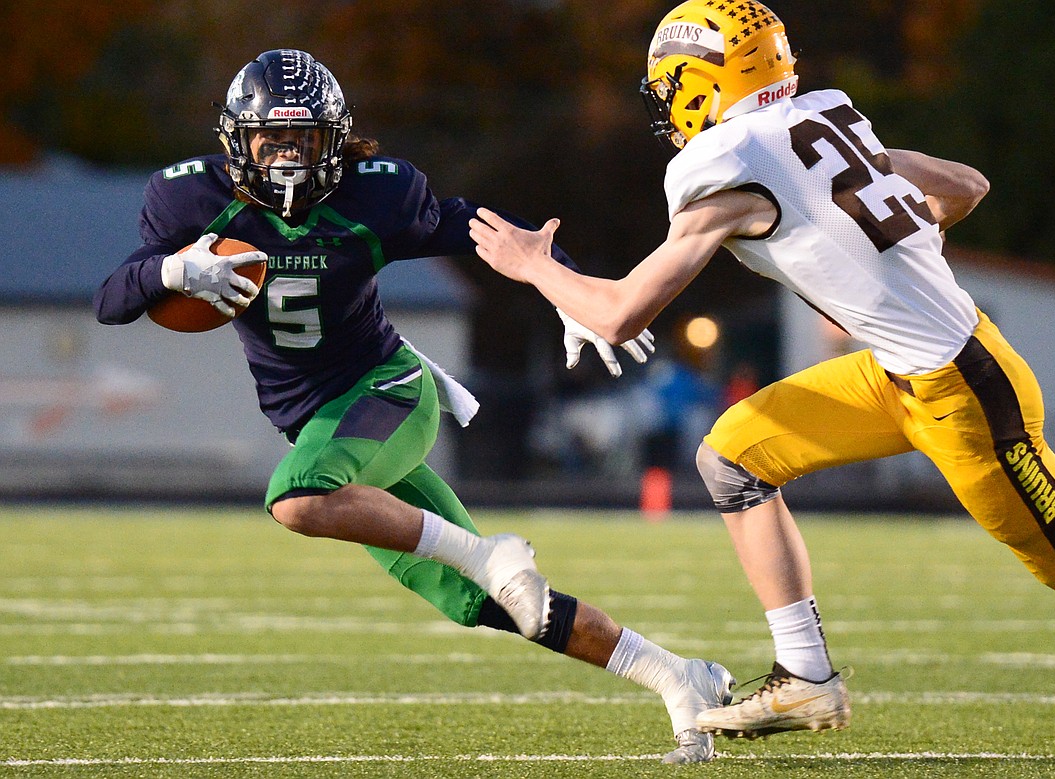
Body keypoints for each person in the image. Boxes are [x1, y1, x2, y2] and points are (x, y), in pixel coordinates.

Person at [469, 0, 1055, 741]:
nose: (669, 105)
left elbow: (619, 314)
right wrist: (881, 259)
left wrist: (534, 266)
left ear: (699, 83)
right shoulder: (830, 123)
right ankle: (806, 677)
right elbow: (967, 187)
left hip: (963, 388)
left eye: (671, 86)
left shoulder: (727, 166)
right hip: (899, 374)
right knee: (734, 455)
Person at [93, 48, 736, 764]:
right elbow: (112, 299)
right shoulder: (188, 200)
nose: (285, 158)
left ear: (333, 142)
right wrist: (171, 268)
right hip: (321, 427)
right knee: (491, 603)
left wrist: (567, 286)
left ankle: (491, 555)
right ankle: (680, 677)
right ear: (234, 142)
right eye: (269, 140)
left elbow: (479, 227)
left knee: (297, 499)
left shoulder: (377, 194)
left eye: (302, 141)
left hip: (387, 393)